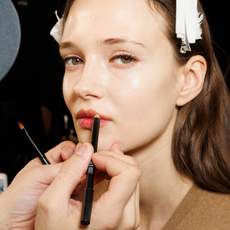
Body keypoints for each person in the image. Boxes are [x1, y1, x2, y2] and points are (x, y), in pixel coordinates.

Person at [2, 0, 230, 229]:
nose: (82, 86)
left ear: (189, 80)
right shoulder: (56, 205)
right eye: (74, 60)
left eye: (124, 58)